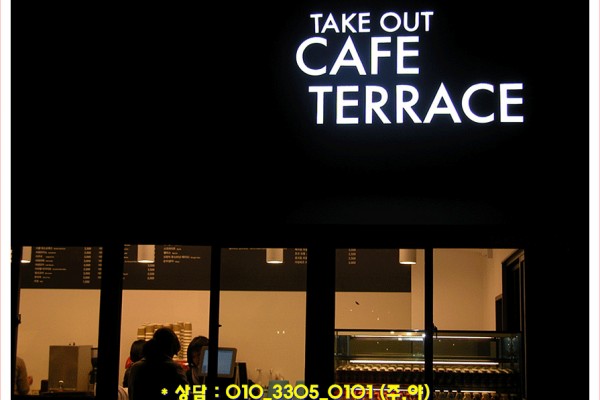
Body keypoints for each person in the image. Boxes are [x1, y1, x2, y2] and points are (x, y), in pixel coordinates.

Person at [127, 327, 188, 400]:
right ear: (171, 349)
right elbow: (185, 395)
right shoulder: (174, 369)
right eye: (173, 353)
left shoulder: (135, 368)